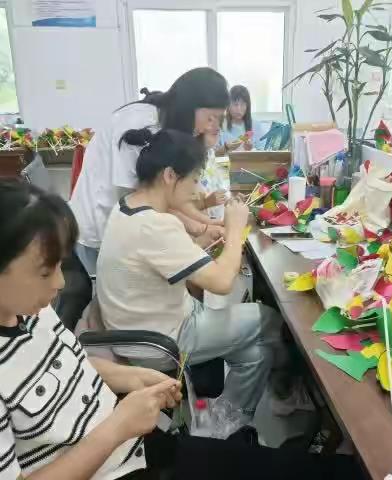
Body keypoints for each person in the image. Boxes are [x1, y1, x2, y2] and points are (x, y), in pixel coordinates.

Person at [0, 179, 362, 480]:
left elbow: (76, 364)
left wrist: (130, 377)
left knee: (311, 471)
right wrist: (117, 428)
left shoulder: (32, 311)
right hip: (116, 461)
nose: (60, 285)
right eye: (45, 272)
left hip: (136, 446)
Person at [96, 128, 283, 426]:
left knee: (256, 353)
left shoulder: (128, 206)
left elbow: (162, 261)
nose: (196, 191)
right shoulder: (155, 225)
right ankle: (286, 393)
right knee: (269, 317)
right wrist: (234, 231)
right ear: (170, 175)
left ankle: (225, 421)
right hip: (163, 338)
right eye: (194, 180)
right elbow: (222, 283)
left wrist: (205, 239)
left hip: (141, 326)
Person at [70, 68, 230, 274]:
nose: (213, 126)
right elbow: (147, 197)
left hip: (127, 229)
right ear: (190, 106)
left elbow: (172, 198)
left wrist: (206, 224)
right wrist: (201, 228)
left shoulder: (168, 123)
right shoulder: (138, 123)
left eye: (219, 119)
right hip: (99, 228)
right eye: (211, 118)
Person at [218, 85, 265, 153]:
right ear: (228, 105)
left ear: (247, 106)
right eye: (235, 104)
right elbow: (212, 153)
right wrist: (226, 147)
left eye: (242, 104)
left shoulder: (255, 126)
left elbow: (263, 152)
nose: (239, 109)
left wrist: (251, 150)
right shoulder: (220, 125)